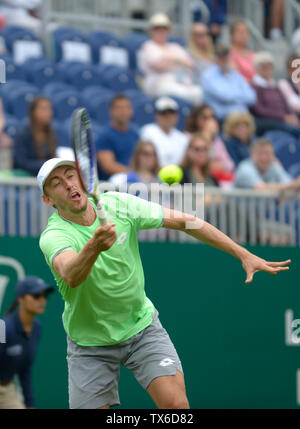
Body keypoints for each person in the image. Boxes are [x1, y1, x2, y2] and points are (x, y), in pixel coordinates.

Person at [38, 157, 290, 409]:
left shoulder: (120, 205)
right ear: (47, 199)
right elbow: (71, 275)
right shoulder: (53, 235)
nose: (69, 184)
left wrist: (242, 253)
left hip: (141, 329)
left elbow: (185, 221)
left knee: (176, 406)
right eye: (57, 183)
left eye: (71, 175)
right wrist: (94, 246)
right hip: (89, 344)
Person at [0, 276, 54, 409]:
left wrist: (30, 404)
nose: (42, 300)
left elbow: (25, 369)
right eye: (36, 296)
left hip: (8, 391)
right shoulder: (3, 328)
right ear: (21, 299)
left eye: (45, 296)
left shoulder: (37, 328)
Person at [138, 13, 202, 105]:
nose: (161, 32)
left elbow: (190, 63)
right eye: (157, 29)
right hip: (158, 83)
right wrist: (177, 60)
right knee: (178, 93)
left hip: (180, 82)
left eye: (164, 29)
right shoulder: (148, 46)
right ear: (151, 31)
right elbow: (158, 64)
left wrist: (169, 59)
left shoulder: (174, 46)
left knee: (199, 92)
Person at [201, 44, 256, 121]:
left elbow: (251, 98)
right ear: (215, 57)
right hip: (221, 117)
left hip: (243, 116)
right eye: (221, 56)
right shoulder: (208, 75)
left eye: (226, 56)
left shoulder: (235, 74)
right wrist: (241, 96)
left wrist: (234, 96)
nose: (224, 59)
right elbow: (224, 96)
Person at [251, 51, 300, 136]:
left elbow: (285, 105)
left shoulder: (275, 86)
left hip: (283, 119)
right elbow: (259, 110)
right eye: (264, 67)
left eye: (269, 67)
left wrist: (292, 116)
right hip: (270, 121)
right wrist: (283, 117)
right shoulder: (256, 87)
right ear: (257, 69)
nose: (267, 69)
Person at [96, 94, 139, 181]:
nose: (124, 112)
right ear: (111, 111)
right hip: (111, 184)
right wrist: (134, 175)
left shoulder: (135, 134)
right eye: (119, 108)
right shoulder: (105, 136)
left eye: (127, 108)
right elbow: (108, 166)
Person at [185, 104, 234, 175]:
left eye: (212, 117)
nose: (209, 121)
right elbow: (195, 163)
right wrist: (207, 136)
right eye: (205, 117)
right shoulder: (187, 137)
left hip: (214, 180)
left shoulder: (216, 141)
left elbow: (230, 165)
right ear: (196, 119)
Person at [13, 96, 57, 177]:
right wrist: (47, 164)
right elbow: (22, 163)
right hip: (23, 180)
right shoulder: (23, 133)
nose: (48, 112)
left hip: (44, 177)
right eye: (43, 109)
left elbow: (52, 156)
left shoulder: (51, 132)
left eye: (49, 109)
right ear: (33, 112)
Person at [234, 138, 300, 190]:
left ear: (273, 155)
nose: (264, 157)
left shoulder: (274, 166)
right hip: (237, 207)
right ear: (252, 155)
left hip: (263, 207)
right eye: (260, 153)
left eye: (267, 153)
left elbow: (288, 183)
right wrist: (294, 185)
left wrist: (293, 185)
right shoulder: (244, 168)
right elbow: (260, 188)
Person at [140, 97, 188, 167]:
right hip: (154, 174)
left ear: (176, 116)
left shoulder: (182, 138)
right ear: (157, 116)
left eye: (171, 113)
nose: (168, 117)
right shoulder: (148, 131)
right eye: (164, 114)